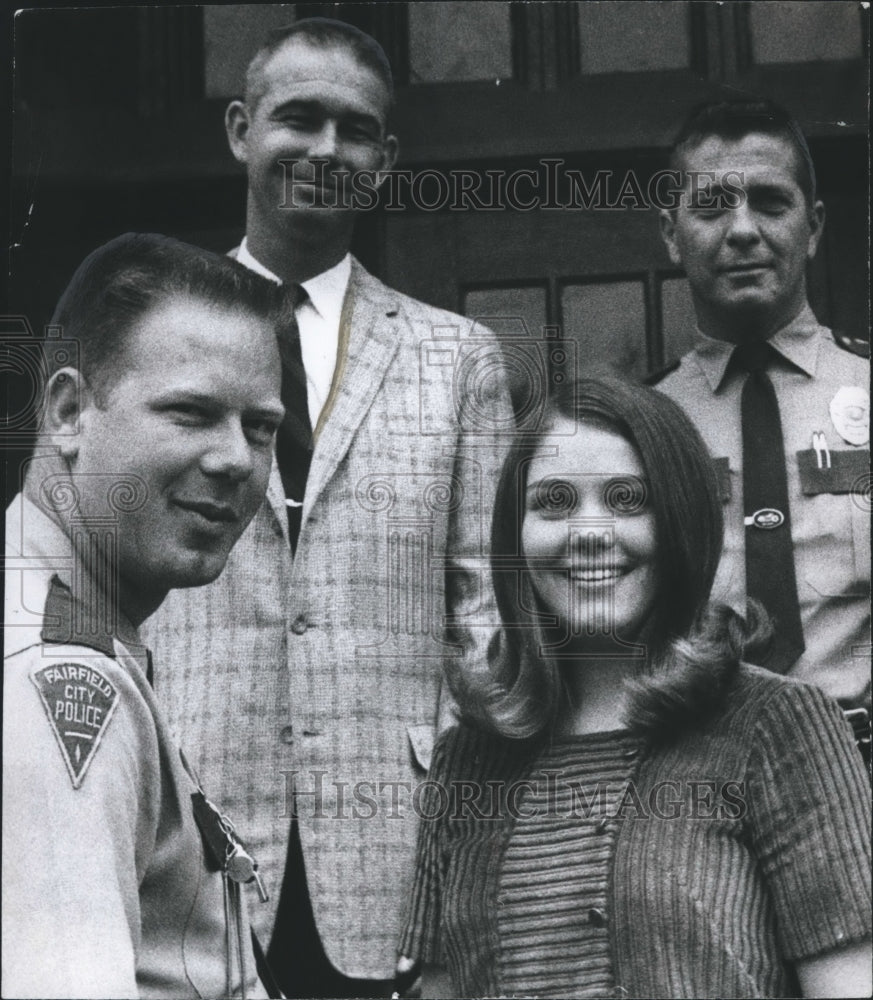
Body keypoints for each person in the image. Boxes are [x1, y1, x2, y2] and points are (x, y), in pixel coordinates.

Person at [143, 18, 513, 998]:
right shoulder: (151, 336)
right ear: (239, 129)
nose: (324, 149)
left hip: (397, 850)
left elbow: (490, 619)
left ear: (385, 161)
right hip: (185, 836)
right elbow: (87, 574)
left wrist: (466, 861)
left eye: (355, 130)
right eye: (297, 118)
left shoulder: (458, 359)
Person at [399, 374, 872, 999]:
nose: (590, 532)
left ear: (681, 521)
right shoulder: (466, 758)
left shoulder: (778, 724)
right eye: (554, 502)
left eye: (628, 499)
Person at [2, 233, 286, 998]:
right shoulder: (53, 673)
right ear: (68, 411)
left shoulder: (62, 614)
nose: (235, 459)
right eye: (191, 413)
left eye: (260, 428)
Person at [653, 99, 870, 724]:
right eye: (712, 206)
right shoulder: (640, 428)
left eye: (771, 203)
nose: (743, 228)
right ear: (672, 234)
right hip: (703, 779)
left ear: (815, 227)